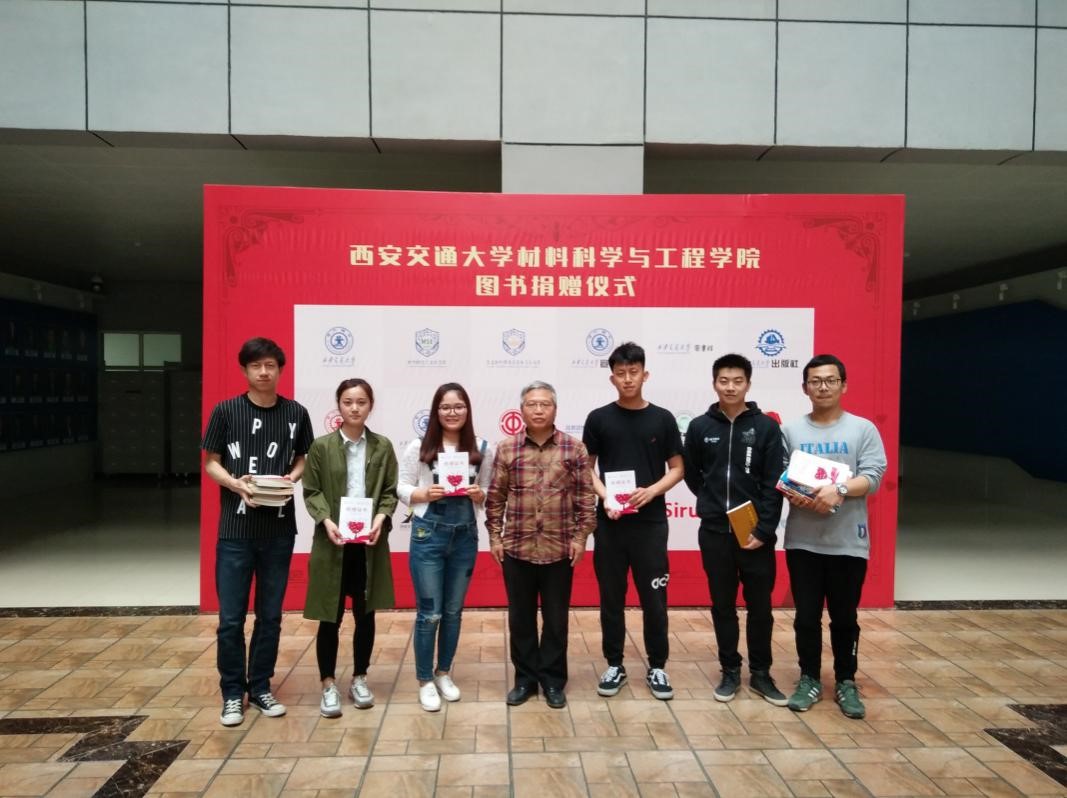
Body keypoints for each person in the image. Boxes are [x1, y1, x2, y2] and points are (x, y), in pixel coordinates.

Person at [202, 337, 314, 727]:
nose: (264, 372)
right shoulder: (225, 411)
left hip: (278, 529)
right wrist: (235, 484)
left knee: (270, 615)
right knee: (231, 618)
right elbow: (211, 462)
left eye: (270, 365)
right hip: (235, 530)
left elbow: (303, 458)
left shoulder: (296, 413)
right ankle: (233, 693)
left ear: (280, 370)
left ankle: (261, 686)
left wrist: (290, 479)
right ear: (245, 370)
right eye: (256, 366)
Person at [781, 354, 887, 720]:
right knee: (806, 617)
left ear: (843, 385)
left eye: (830, 380)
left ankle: (846, 681)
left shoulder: (862, 429)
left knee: (844, 617)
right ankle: (809, 678)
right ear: (805, 387)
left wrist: (838, 489)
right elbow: (783, 476)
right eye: (815, 381)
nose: (822, 387)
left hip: (848, 542)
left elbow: (873, 476)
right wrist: (794, 493)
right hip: (802, 541)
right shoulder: (791, 431)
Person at [683, 353, 788, 706]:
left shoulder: (766, 428)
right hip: (715, 533)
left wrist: (764, 529)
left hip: (756, 534)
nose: (730, 387)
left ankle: (761, 673)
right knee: (722, 605)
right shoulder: (700, 427)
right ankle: (729, 670)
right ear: (714, 383)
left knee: (760, 607)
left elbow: (774, 483)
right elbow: (693, 474)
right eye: (724, 381)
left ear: (748, 384)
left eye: (737, 381)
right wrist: (711, 502)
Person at [583, 342, 684, 700]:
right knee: (611, 598)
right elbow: (587, 469)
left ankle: (657, 666)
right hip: (610, 524)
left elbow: (678, 468)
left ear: (645, 374)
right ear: (612, 378)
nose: (628, 379)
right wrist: (606, 496)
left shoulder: (663, 419)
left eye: (634, 372)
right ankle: (615, 664)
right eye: (621, 373)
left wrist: (652, 491)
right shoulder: (598, 418)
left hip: (650, 525)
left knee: (654, 599)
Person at [485, 381, 596, 709]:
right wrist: (495, 536)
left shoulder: (574, 449)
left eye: (544, 404)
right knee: (520, 619)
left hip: (559, 549)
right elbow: (496, 497)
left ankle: (552, 680)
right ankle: (524, 679)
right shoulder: (507, 448)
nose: (538, 410)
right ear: (522, 410)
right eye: (531, 404)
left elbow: (586, 497)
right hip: (517, 548)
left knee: (556, 620)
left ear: (555, 410)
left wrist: (580, 537)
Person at [302, 378, 398, 717]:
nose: (354, 408)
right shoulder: (321, 447)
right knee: (329, 615)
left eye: (361, 402)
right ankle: (328, 683)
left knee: (365, 614)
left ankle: (360, 677)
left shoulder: (382, 446)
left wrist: (381, 518)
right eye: (347, 402)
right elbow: (312, 490)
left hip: (368, 543)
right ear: (338, 405)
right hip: (334, 542)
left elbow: (390, 491)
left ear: (370, 406)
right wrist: (326, 520)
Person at [398, 383, 494, 712]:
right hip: (429, 535)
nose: (452, 413)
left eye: (458, 406)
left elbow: (486, 488)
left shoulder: (482, 447)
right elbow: (402, 486)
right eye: (445, 407)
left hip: (465, 536)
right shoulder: (419, 446)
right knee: (430, 613)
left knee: (453, 611)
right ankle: (425, 679)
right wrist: (423, 494)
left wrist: (480, 494)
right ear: (436, 411)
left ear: (467, 410)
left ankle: (443, 673)